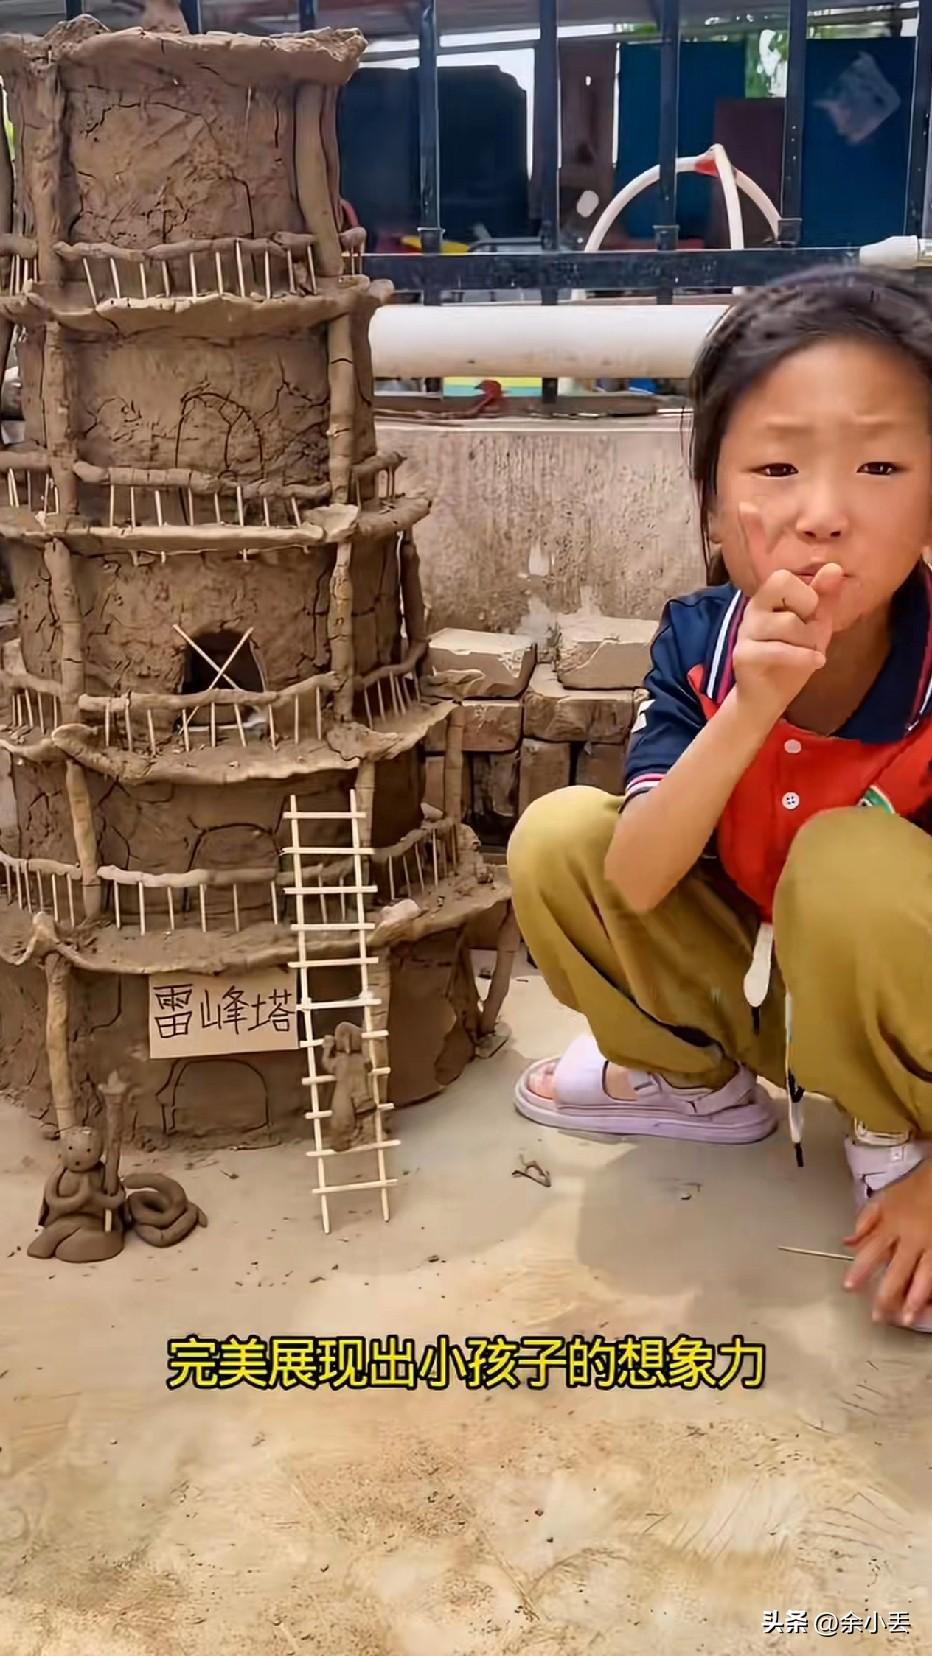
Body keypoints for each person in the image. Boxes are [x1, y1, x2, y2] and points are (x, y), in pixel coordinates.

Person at [508, 268, 932, 1332]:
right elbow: (635, 878)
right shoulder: (700, 642)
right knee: (562, 838)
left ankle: (900, 1136)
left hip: (907, 1013)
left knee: (846, 858)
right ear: (711, 503)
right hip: (785, 997)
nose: (823, 516)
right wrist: (752, 705)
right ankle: (693, 1079)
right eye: (777, 467)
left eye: (880, 466)